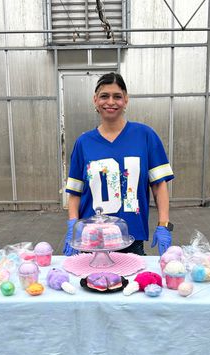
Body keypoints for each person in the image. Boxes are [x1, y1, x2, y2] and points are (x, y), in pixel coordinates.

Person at [63, 72, 174, 257]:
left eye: (117, 96)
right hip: (91, 240)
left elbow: (159, 185)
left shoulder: (145, 136)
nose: (111, 102)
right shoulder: (83, 142)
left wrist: (164, 225)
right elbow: (75, 192)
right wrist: (72, 227)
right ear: (95, 100)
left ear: (126, 100)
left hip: (132, 237)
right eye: (104, 96)